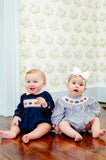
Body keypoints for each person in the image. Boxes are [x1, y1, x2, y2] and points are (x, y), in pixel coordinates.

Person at [51, 67, 106, 142]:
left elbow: (94, 110)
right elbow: (58, 113)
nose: (77, 86)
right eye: (73, 83)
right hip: (71, 124)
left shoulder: (87, 100)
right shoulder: (63, 101)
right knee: (62, 124)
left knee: (95, 119)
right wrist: (56, 124)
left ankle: (95, 131)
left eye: (80, 84)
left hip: (85, 123)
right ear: (68, 86)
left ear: (84, 89)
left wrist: (91, 118)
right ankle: (75, 134)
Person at [0, 69, 55, 143]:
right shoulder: (24, 96)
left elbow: (51, 106)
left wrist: (45, 104)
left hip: (41, 120)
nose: (31, 84)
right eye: (28, 82)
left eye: (35, 82)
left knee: (46, 127)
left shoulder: (45, 95)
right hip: (26, 121)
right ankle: (13, 133)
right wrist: (16, 116)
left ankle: (30, 136)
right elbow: (20, 108)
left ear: (43, 83)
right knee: (15, 124)